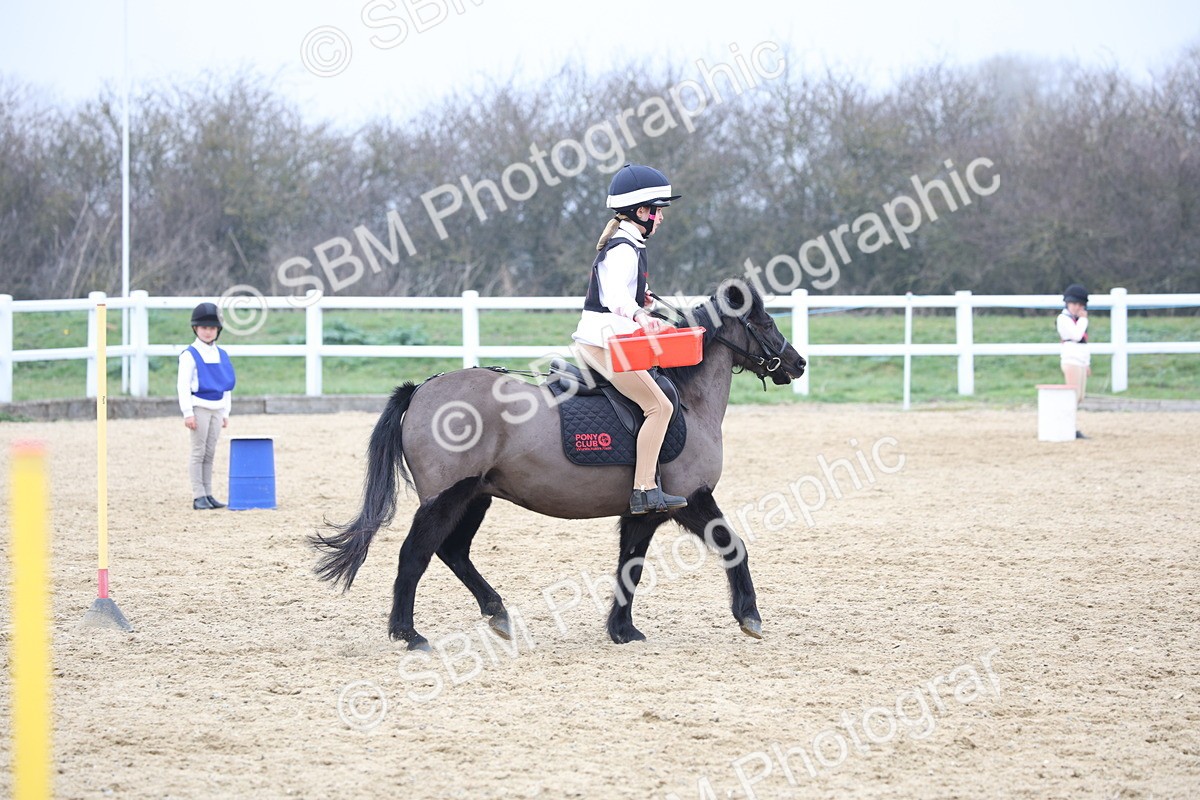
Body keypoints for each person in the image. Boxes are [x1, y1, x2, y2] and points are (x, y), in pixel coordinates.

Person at [571, 163, 688, 515]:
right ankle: (644, 490)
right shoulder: (623, 248)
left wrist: (644, 299)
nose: (661, 217)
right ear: (640, 212)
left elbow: (623, 291)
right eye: (657, 211)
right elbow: (614, 298)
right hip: (602, 345)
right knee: (660, 407)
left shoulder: (630, 242)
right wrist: (638, 314)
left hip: (608, 341)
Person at [178, 302, 236, 509]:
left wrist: (226, 412)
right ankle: (198, 494)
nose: (208, 332)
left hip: (217, 407)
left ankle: (208, 493)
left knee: (210, 452)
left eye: (212, 328)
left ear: (217, 330)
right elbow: (183, 385)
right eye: (204, 328)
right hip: (199, 407)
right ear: (196, 328)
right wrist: (188, 412)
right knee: (198, 451)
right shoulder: (189, 355)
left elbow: (226, 384)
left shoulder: (222, 354)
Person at [1058, 283, 1090, 439]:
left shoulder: (1078, 320)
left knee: (1080, 396)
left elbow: (1084, 343)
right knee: (1073, 395)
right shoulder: (1063, 319)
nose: (1077, 307)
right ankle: (1067, 426)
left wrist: (1087, 363)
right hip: (1071, 359)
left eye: (1080, 304)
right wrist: (1084, 320)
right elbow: (1076, 336)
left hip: (1080, 359)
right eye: (1074, 304)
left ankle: (1069, 424)